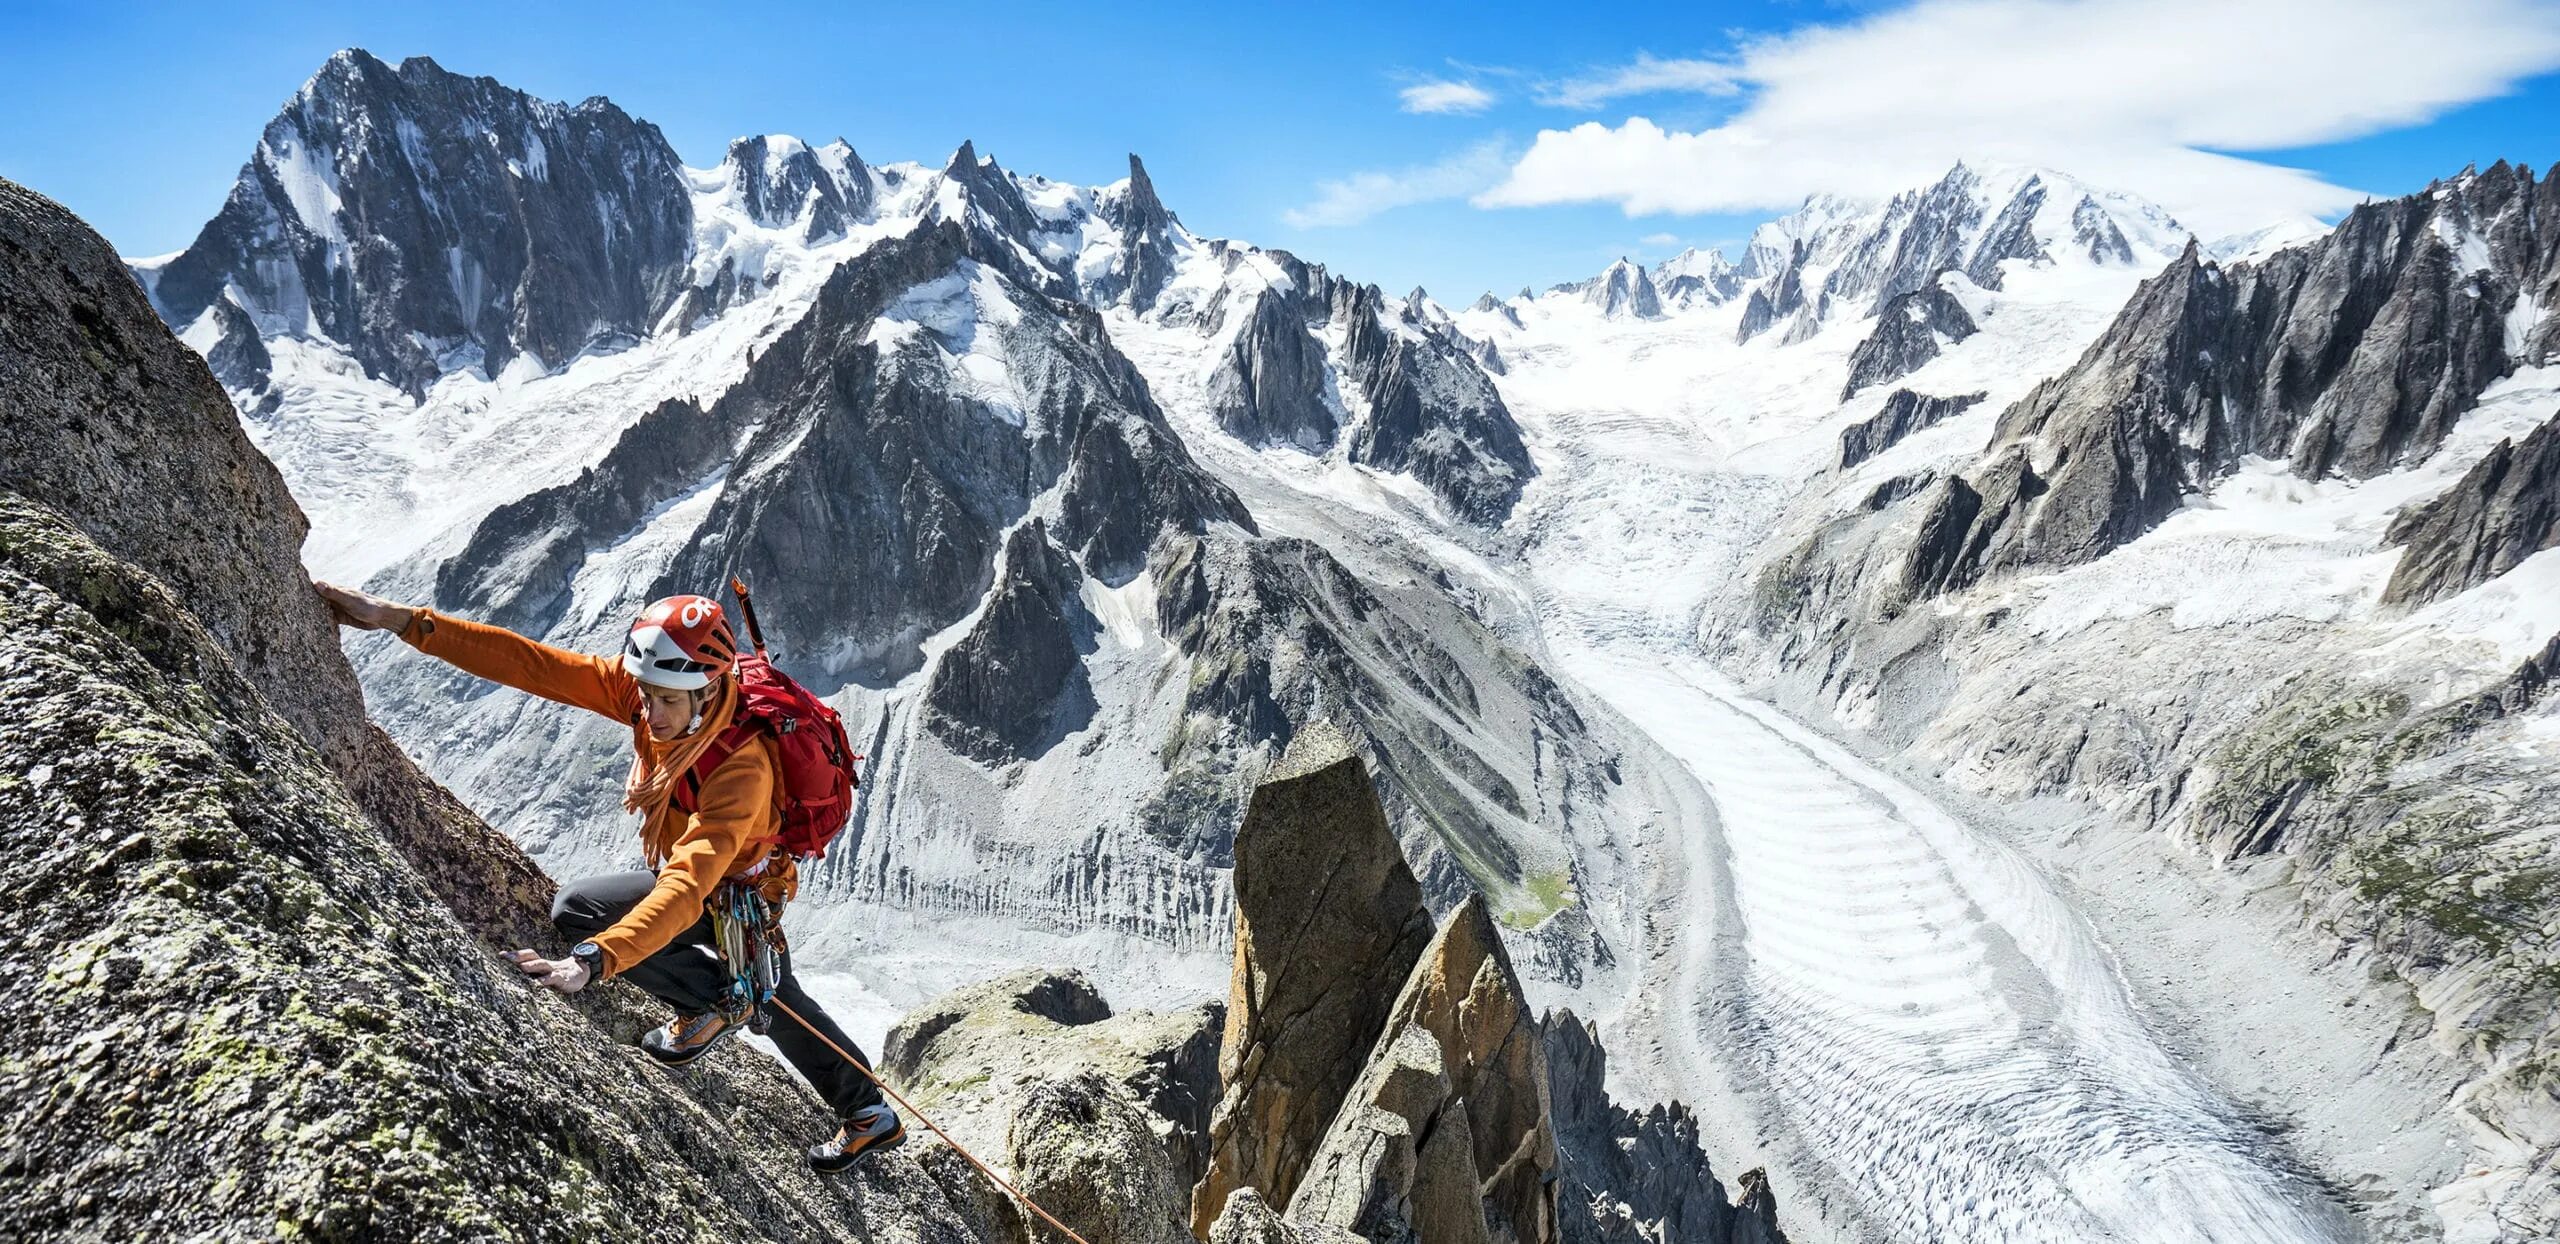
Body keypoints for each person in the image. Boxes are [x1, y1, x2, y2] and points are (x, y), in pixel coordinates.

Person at [313, 580, 904, 1172]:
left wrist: (594, 962)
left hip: (736, 890)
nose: (651, 713)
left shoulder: (740, 769)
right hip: (708, 882)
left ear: (710, 689)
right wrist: (402, 620)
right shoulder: (662, 696)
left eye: (668, 700)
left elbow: (684, 886)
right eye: (646, 694)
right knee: (754, 989)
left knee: (761, 994)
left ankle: (843, 1096)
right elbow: (536, 665)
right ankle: (777, 1046)